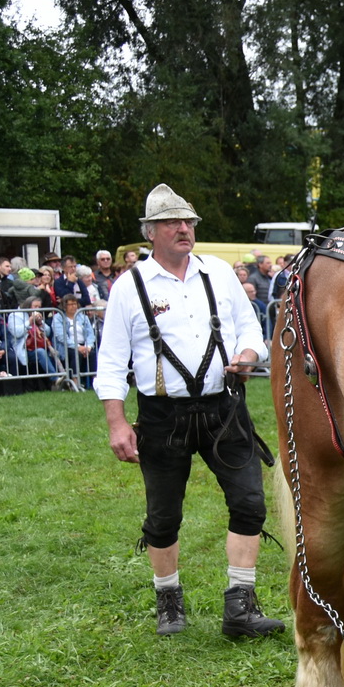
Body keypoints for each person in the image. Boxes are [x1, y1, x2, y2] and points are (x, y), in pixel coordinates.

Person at [95, 184, 282, 638]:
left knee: (250, 503)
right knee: (163, 516)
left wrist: (249, 355)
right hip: (163, 417)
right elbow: (112, 361)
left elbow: (249, 329)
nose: (184, 229)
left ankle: (240, 607)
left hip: (224, 408)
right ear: (150, 232)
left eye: (190, 222)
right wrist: (117, 422)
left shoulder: (217, 273)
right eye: (173, 223)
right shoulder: (129, 286)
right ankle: (169, 601)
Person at [51, 292, 97, 389]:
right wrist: (77, 347)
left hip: (84, 345)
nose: (73, 306)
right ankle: (75, 383)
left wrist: (88, 346)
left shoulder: (83, 317)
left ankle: (95, 381)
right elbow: (61, 337)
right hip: (67, 347)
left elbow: (90, 334)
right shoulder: (58, 318)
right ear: (64, 306)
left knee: (92, 354)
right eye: (70, 304)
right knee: (76, 354)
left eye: (75, 304)